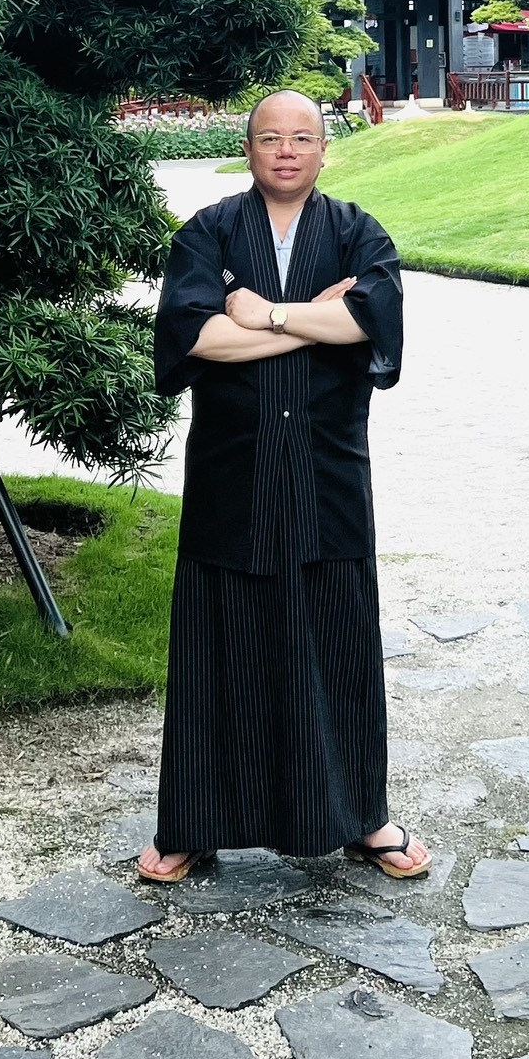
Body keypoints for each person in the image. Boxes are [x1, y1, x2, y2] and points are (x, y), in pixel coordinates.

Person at [138, 88, 428, 882]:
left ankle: (361, 816)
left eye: (303, 137)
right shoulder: (209, 231)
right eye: (271, 138)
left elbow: (369, 323)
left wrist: (264, 315)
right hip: (232, 470)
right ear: (250, 149)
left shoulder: (358, 232)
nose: (287, 150)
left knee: (338, 638)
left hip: (327, 469)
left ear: (325, 149)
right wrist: (311, 322)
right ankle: (193, 821)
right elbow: (197, 337)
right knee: (218, 643)